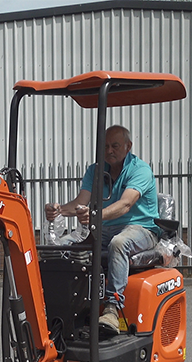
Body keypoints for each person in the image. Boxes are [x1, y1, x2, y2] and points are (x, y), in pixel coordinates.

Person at [44, 125, 160, 333]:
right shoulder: (96, 170)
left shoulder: (140, 170)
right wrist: (58, 210)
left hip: (142, 229)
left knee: (119, 243)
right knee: (69, 247)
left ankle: (112, 309)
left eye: (115, 146)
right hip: (105, 228)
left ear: (128, 146)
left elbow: (126, 204)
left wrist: (96, 215)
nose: (109, 151)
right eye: (105, 146)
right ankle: (67, 306)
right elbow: (81, 201)